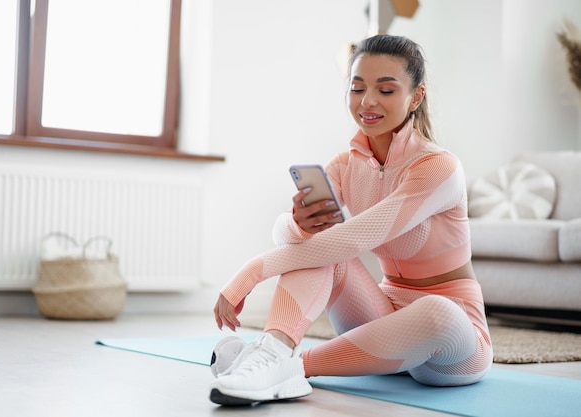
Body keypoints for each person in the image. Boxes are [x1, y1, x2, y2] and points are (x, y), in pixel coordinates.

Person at [209, 34, 493, 406]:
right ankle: (274, 351)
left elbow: (353, 240)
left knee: (438, 311)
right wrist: (298, 226)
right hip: (381, 319)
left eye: (386, 90)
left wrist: (252, 271)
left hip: (454, 342)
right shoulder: (346, 165)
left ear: (416, 97)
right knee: (317, 247)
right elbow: (291, 235)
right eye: (357, 88)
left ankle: (293, 366)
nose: (368, 102)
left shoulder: (438, 167)